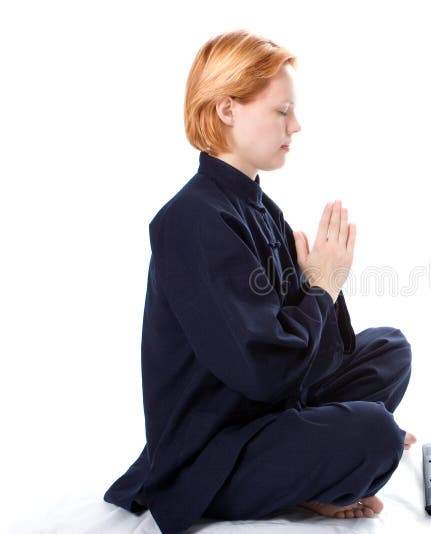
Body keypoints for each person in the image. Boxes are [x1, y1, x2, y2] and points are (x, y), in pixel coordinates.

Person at [103, 30, 415, 534]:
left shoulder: (256, 206)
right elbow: (266, 368)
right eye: (281, 111)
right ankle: (319, 471)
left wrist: (315, 288)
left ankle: (313, 472)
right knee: (376, 432)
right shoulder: (191, 221)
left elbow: (303, 348)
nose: (296, 125)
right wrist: (321, 287)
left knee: (390, 350)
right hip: (212, 454)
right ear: (227, 110)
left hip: (263, 410)